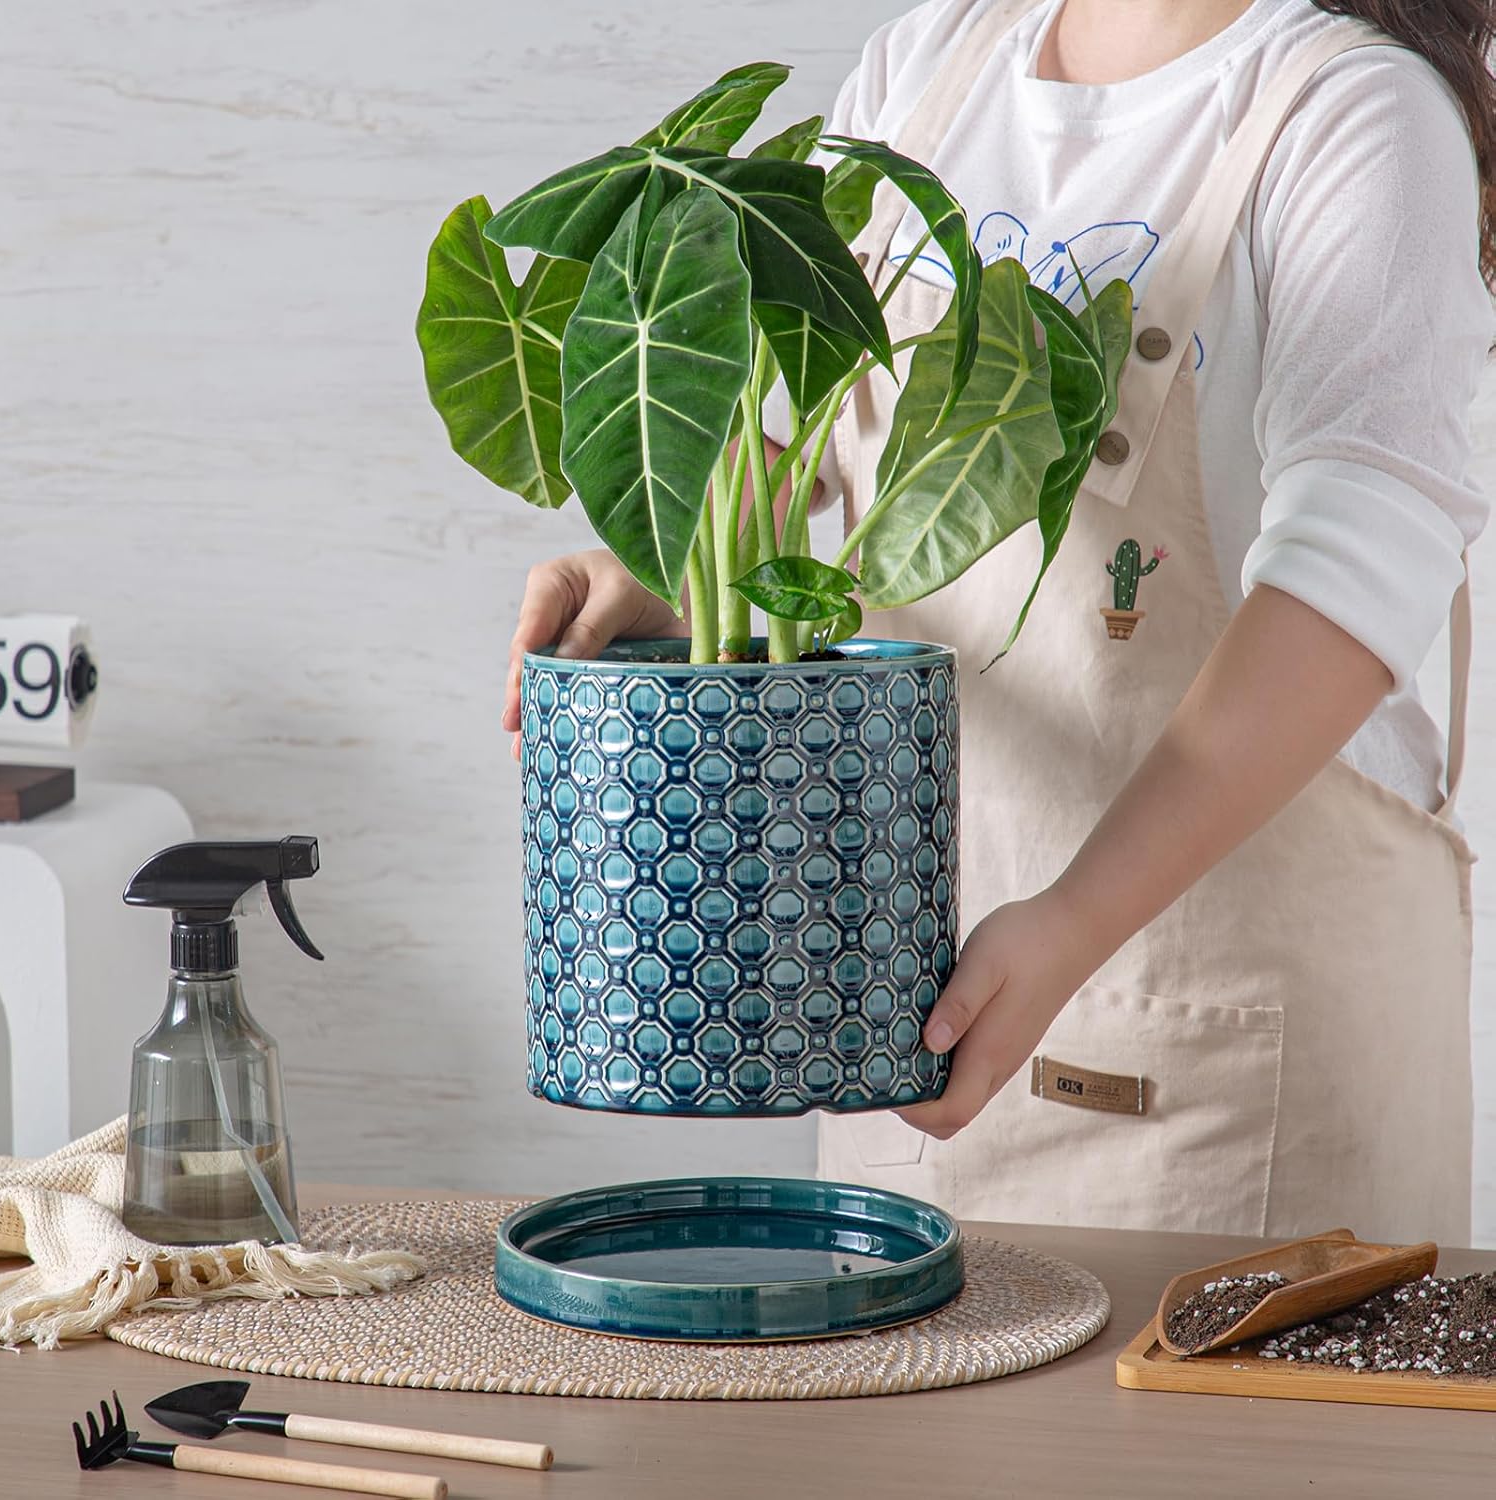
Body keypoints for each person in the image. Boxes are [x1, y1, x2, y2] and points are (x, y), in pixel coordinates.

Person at [505, 0, 1494, 1242]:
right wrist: (672, 571)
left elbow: (1356, 577)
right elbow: (835, 438)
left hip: (1239, 1070)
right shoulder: (933, 64)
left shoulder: (1353, 112)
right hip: (911, 1021)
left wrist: (1074, 920)